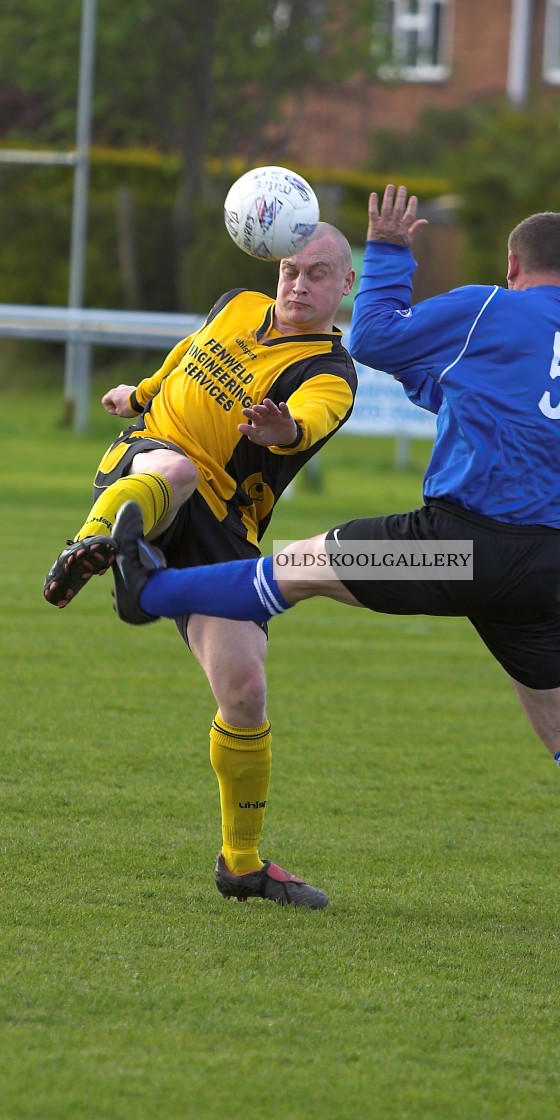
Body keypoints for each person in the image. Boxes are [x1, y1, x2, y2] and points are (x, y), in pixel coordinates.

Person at [110, 185, 560, 947]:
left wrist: (387, 253)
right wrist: (435, 377)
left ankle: (146, 587)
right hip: (543, 562)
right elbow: (475, 394)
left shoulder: (491, 304)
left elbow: (377, 337)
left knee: (295, 568)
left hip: (453, 542)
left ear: (511, 265)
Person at [43, 222, 358, 908]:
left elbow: (307, 421)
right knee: (176, 467)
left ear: (345, 285)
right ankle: (94, 547)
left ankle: (241, 864)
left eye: (317, 274)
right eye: (291, 270)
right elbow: (183, 361)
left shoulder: (329, 374)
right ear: (276, 270)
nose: (299, 284)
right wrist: (139, 394)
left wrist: (281, 429)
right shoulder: (234, 305)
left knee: (244, 689)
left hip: (226, 524)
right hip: (153, 460)